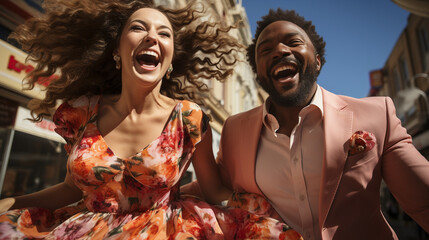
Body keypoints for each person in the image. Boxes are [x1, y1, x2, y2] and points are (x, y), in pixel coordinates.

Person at [0, 1, 302, 239]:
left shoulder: (190, 119)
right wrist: (11, 203)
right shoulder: (79, 112)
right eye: (138, 28)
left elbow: (215, 192)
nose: (152, 37)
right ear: (118, 51)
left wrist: (270, 208)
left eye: (164, 33)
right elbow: (70, 188)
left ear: (169, 60)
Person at [183, 8, 429, 240]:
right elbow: (212, 185)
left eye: (293, 42)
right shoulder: (234, 130)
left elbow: (422, 198)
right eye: (265, 49)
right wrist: (151, 189)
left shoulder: (376, 114)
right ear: (258, 73)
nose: (280, 50)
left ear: (318, 60)